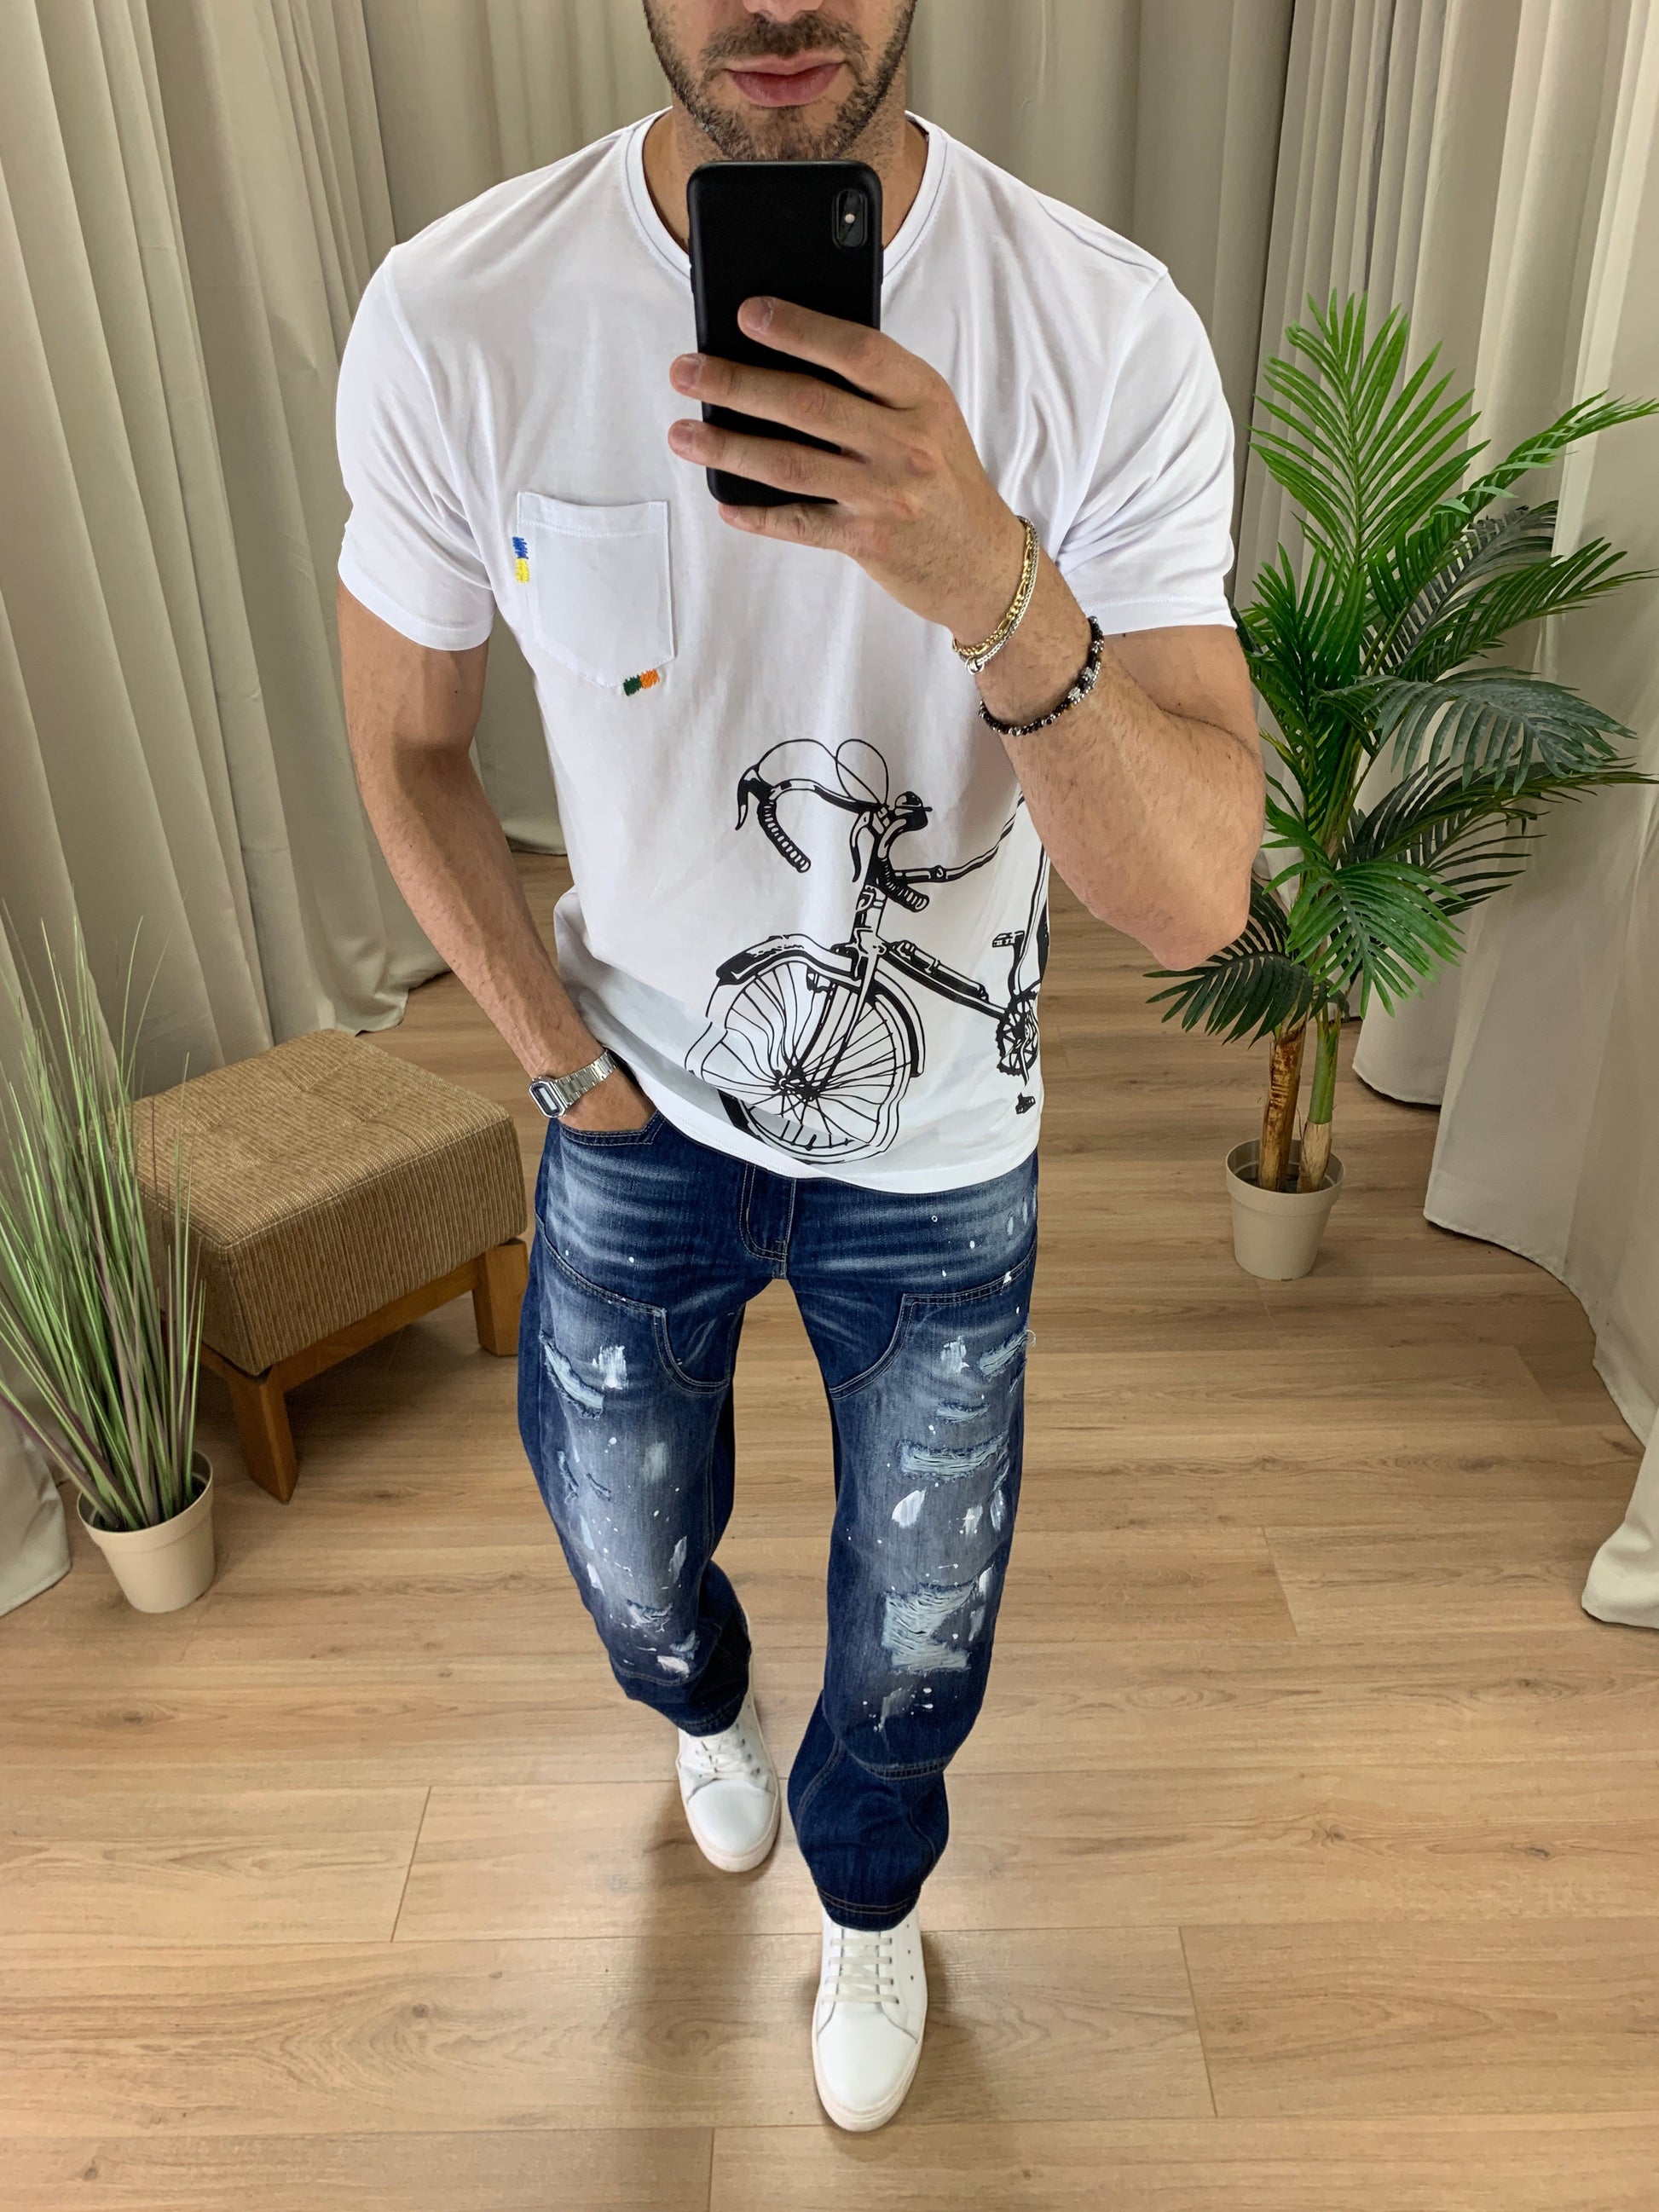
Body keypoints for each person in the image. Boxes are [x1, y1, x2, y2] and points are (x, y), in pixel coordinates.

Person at [334, 0, 1263, 2134]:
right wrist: (560, 1070)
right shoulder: (459, 315)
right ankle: (704, 1705)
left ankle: (869, 1892)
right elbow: (406, 748)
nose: (774, 1)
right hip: (628, 1107)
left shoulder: (1100, 328)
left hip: (942, 1148)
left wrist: (991, 581)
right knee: (630, 1565)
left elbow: (1199, 891)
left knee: (922, 1631)